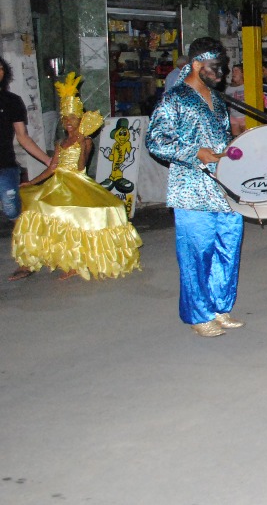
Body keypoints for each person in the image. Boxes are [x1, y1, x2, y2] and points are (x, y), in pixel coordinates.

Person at [145, 38, 246, 337]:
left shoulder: (217, 99)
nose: (222, 74)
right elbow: (155, 140)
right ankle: (199, 315)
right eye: (217, 67)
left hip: (225, 188)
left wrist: (236, 151)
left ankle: (219, 308)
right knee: (197, 255)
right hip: (191, 190)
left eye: (224, 68)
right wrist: (195, 152)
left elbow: (223, 139)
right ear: (197, 64)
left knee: (228, 249)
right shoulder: (174, 99)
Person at [10, 72, 141, 281]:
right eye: (65, 119)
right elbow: (52, 167)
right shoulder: (61, 143)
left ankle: (75, 263)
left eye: (72, 119)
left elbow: (81, 166)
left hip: (76, 181)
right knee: (42, 212)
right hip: (57, 183)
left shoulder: (86, 141)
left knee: (75, 218)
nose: (68, 123)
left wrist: (82, 144)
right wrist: (32, 182)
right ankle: (55, 260)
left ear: (80, 119)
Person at [1, 57, 51, 234]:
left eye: (0, 68)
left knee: (11, 209)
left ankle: (24, 243)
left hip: (5, 165)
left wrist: (48, 161)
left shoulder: (12, 101)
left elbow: (23, 137)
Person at [224, 64, 247, 137]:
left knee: (246, 137)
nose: (233, 73)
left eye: (236, 71)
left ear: (243, 73)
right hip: (234, 117)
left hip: (244, 117)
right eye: (233, 71)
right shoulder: (229, 89)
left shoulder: (247, 87)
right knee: (236, 139)